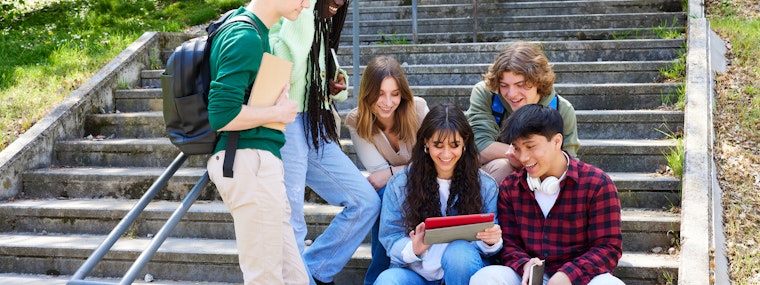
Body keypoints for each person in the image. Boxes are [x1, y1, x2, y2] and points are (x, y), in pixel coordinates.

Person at [270, 1, 381, 284]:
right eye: (332, 0)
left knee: (365, 202)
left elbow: (318, 71)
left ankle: (315, 271)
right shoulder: (286, 17)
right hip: (286, 122)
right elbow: (287, 71)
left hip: (315, 123)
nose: (340, 4)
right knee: (292, 218)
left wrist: (335, 83)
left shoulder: (319, 25)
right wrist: (305, 10)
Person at [205, 0, 311, 284]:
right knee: (265, 279)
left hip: (258, 163)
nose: (307, 4)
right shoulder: (246, 36)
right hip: (247, 162)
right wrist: (279, 112)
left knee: (295, 278)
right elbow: (222, 114)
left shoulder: (255, 30)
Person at [469, 104, 623, 285]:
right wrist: (524, 264)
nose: (524, 157)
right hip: (527, 277)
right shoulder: (510, 187)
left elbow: (608, 247)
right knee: (486, 278)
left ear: (557, 141)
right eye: (517, 148)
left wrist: (568, 275)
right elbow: (509, 244)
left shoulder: (597, 183)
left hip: (579, 277)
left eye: (530, 146)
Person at [375, 103, 503, 285]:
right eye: (438, 145)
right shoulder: (400, 183)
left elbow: (489, 245)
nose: (446, 154)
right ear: (426, 142)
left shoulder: (485, 185)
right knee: (388, 281)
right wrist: (414, 248)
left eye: (454, 145)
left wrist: (491, 241)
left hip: (461, 271)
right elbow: (390, 237)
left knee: (459, 253)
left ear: (464, 143)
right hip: (415, 274)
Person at [344, 55, 429, 285]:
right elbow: (378, 173)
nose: (387, 102)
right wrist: (394, 173)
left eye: (394, 94)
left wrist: (393, 171)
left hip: (428, 183)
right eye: (380, 94)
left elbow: (434, 159)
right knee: (381, 196)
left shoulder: (418, 109)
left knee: (386, 189)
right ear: (368, 93)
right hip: (394, 190)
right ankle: (378, 276)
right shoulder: (357, 120)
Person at [465, 41, 580, 185]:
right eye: (504, 86)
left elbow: (568, 160)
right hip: (496, 172)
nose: (512, 94)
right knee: (503, 167)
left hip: (545, 178)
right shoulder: (486, 94)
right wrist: (527, 154)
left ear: (538, 81)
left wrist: (526, 158)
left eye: (521, 85)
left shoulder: (562, 109)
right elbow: (480, 146)